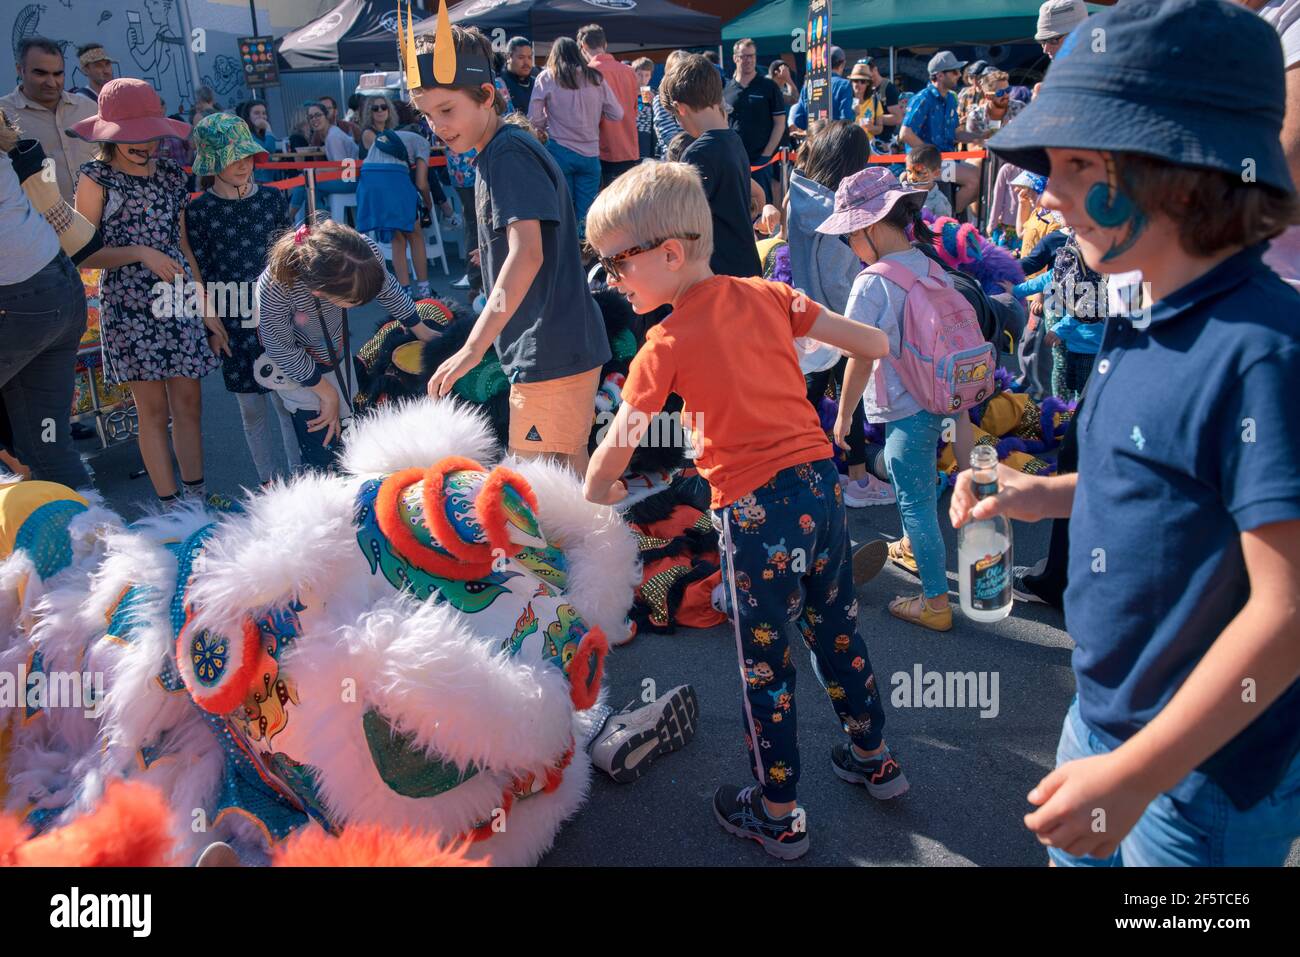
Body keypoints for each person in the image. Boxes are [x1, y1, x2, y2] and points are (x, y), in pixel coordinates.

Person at [966, 0, 1300, 867]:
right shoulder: (1139, 307)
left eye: (1077, 164)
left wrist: (1140, 773)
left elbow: (1288, 611)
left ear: (1176, 174)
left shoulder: (1263, 351)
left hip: (1202, 783)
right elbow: (1159, 476)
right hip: (1100, 725)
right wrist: (1042, 492)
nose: (1045, 190)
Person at [583, 161, 907, 860]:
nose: (610, 279)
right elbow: (875, 343)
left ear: (669, 254)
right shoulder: (769, 293)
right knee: (838, 630)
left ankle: (780, 811)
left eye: (615, 263)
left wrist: (598, 493)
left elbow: (611, 455)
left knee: (766, 665)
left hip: (756, 509)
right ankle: (875, 758)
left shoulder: (662, 346)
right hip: (820, 485)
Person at [409, 24, 610, 474]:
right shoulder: (503, 147)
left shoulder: (507, 154)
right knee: (566, 482)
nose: (438, 127)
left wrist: (472, 348)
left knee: (536, 493)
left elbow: (528, 254)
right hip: (559, 344)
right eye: (427, 115)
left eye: (447, 109)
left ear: (485, 94)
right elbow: (525, 246)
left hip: (550, 348)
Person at [821, 167, 969, 632]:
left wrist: (843, 417)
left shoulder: (872, 283)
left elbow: (858, 356)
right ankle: (911, 548)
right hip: (938, 397)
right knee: (920, 493)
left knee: (917, 504)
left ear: (867, 227)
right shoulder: (928, 264)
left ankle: (935, 603)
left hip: (905, 408)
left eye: (849, 236)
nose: (848, 246)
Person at [70, 78, 221, 505]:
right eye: (131, 137)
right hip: (129, 309)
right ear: (107, 137)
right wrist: (140, 253)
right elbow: (83, 255)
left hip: (178, 302)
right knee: (151, 411)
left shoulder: (174, 176)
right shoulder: (94, 178)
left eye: (149, 135)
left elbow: (185, 249)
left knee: (189, 403)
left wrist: (207, 311)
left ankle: (197, 500)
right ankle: (170, 508)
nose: (144, 145)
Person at [256, 220, 431, 470]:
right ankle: (320, 485)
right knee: (323, 440)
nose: (363, 305)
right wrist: (325, 393)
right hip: (295, 369)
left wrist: (419, 327)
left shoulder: (360, 253)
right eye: (354, 301)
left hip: (336, 354)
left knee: (350, 429)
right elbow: (281, 348)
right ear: (319, 292)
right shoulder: (276, 285)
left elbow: (387, 288)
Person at [183, 113, 300, 487]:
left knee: (288, 403)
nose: (242, 163)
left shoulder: (272, 198)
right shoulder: (198, 211)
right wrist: (211, 324)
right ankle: (267, 483)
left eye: (247, 154)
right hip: (230, 319)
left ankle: (300, 479)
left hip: (278, 313)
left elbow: (290, 256)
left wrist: (300, 312)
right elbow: (197, 268)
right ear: (212, 162)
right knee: (251, 409)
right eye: (232, 157)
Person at [784, 121, 892, 508]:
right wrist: (854, 322)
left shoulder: (798, 193)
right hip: (835, 318)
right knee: (845, 401)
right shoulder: (838, 212)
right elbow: (835, 274)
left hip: (805, 314)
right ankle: (857, 481)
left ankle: (798, 474)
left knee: (805, 404)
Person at [0, 109, 93, 490]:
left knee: (48, 446)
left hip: (23, 307)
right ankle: (94, 541)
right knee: (50, 444)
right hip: (59, 297)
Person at [660, 53, 761, 278]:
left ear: (681, 108)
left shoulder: (698, 153)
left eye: (675, 116)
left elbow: (681, 223)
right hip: (745, 266)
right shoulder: (733, 139)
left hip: (720, 275)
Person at [356, 94, 452, 300]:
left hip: (369, 178)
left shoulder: (391, 136)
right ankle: (425, 290)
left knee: (397, 237)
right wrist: (428, 203)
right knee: (415, 234)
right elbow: (421, 183)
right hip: (392, 178)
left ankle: (404, 291)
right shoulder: (422, 143)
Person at [527, 36, 623, 239]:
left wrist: (548, 121)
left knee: (563, 207)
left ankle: (566, 252)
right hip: (590, 153)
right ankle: (585, 254)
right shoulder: (596, 79)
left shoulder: (547, 77)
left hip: (559, 150)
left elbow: (534, 119)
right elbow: (617, 113)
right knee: (587, 212)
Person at [0, 38, 98, 203]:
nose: (51, 83)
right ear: (20, 70)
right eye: (41, 73)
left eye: (58, 74)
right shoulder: (4, 115)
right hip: (41, 225)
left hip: (99, 219)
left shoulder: (88, 108)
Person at [899, 51, 985, 213]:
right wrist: (932, 157)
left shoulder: (951, 99)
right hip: (926, 166)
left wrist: (979, 138)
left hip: (944, 162)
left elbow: (954, 134)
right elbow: (905, 134)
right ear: (939, 76)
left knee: (980, 177)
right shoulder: (922, 98)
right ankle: (948, 220)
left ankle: (947, 217)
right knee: (975, 179)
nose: (959, 75)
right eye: (954, 71)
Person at [724, 38, 788, 203]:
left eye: (751, 56)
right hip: (734, 159)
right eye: (744, 56)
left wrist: (767, 154)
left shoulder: (768, 86)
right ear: (735, 58)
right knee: (737, 206)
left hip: (761, 161)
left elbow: (780, 123)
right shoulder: (726, 90)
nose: (748, 60)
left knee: (763, 209)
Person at [577, 24, 640, 188]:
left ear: (583, 46)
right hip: (629, 147)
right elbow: (635, 110)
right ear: (605, 45)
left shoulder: (587, 73)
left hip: (601, 150)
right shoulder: (629, 71)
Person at [790, 45, 855, 131]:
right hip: (835, 140)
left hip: (814, 139)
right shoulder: (844, 85)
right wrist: (854, 113)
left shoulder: (808, 86)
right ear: (842, 64)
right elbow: (846, 120)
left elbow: (797, 118)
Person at [966, 69, 1025, 143]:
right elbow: (972, 147)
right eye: (1000, 93)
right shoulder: (975, 116)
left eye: (1008, 90)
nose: (1006, 95)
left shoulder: (1021, 108)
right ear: (988, 96)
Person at [900, 145, 954, 218]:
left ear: (936, 173)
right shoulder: (905, 194)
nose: (912, 178)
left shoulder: (939, 203)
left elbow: (941, 227)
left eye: (919, 172)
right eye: (909, 172)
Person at [651, 51, 688, 159]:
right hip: (675, 164)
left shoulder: (696, 97)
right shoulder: (661, 100)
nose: (684, 75)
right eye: (679, 70)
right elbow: (670, 138)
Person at [236, 99, 279, 183]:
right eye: (256, 113)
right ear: (248, 116)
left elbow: (272, 151)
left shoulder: (264, 135)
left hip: (270, 180)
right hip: (256, 182)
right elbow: (269, 150)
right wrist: (268, 127)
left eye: (264, 113)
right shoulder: (246, 136)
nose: (261, 116)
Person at [501, 36, 538, 116]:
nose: (526, 63)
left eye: (529, 57)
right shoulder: (499, 84)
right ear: (508, 57)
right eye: (521, 57)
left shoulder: (537, 84)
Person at [847, 61, 884, 140]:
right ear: (851, 82)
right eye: (856, 81)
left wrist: (871, 128)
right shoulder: (845, 100)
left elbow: (880, 128)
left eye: (863, 81)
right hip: (850, 144)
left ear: (868, 83)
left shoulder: (874, 101)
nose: (859, 84)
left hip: (867, 146)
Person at [631, 57, 657, 160]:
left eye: (646, 75)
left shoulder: (653, 94)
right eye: (639, 75)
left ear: (650, 76)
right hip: (630, 141)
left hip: (647, 142)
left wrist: (655, 103)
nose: (643, 79)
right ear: (633, 74)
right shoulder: (627, 93)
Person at [957, 59, 987, 124]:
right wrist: (961, 121)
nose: (975, 80)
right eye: (972, 77)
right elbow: (957, 116)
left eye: (980, 77)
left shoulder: (996, 94)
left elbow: (1002, 123)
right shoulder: (965, 94)